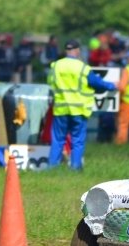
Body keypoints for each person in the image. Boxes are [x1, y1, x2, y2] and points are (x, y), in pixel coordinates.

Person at [46, 39, 117, 170]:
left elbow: (50, 83)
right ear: (77, 50)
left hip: (61, 108)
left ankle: (52, 167)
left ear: (65, 51)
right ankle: (75, 167)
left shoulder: (55, 66)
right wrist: (112, 85)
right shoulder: (82, 67)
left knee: (57, 139)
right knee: (77, 140)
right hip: (78, 109)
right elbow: (96, 82)